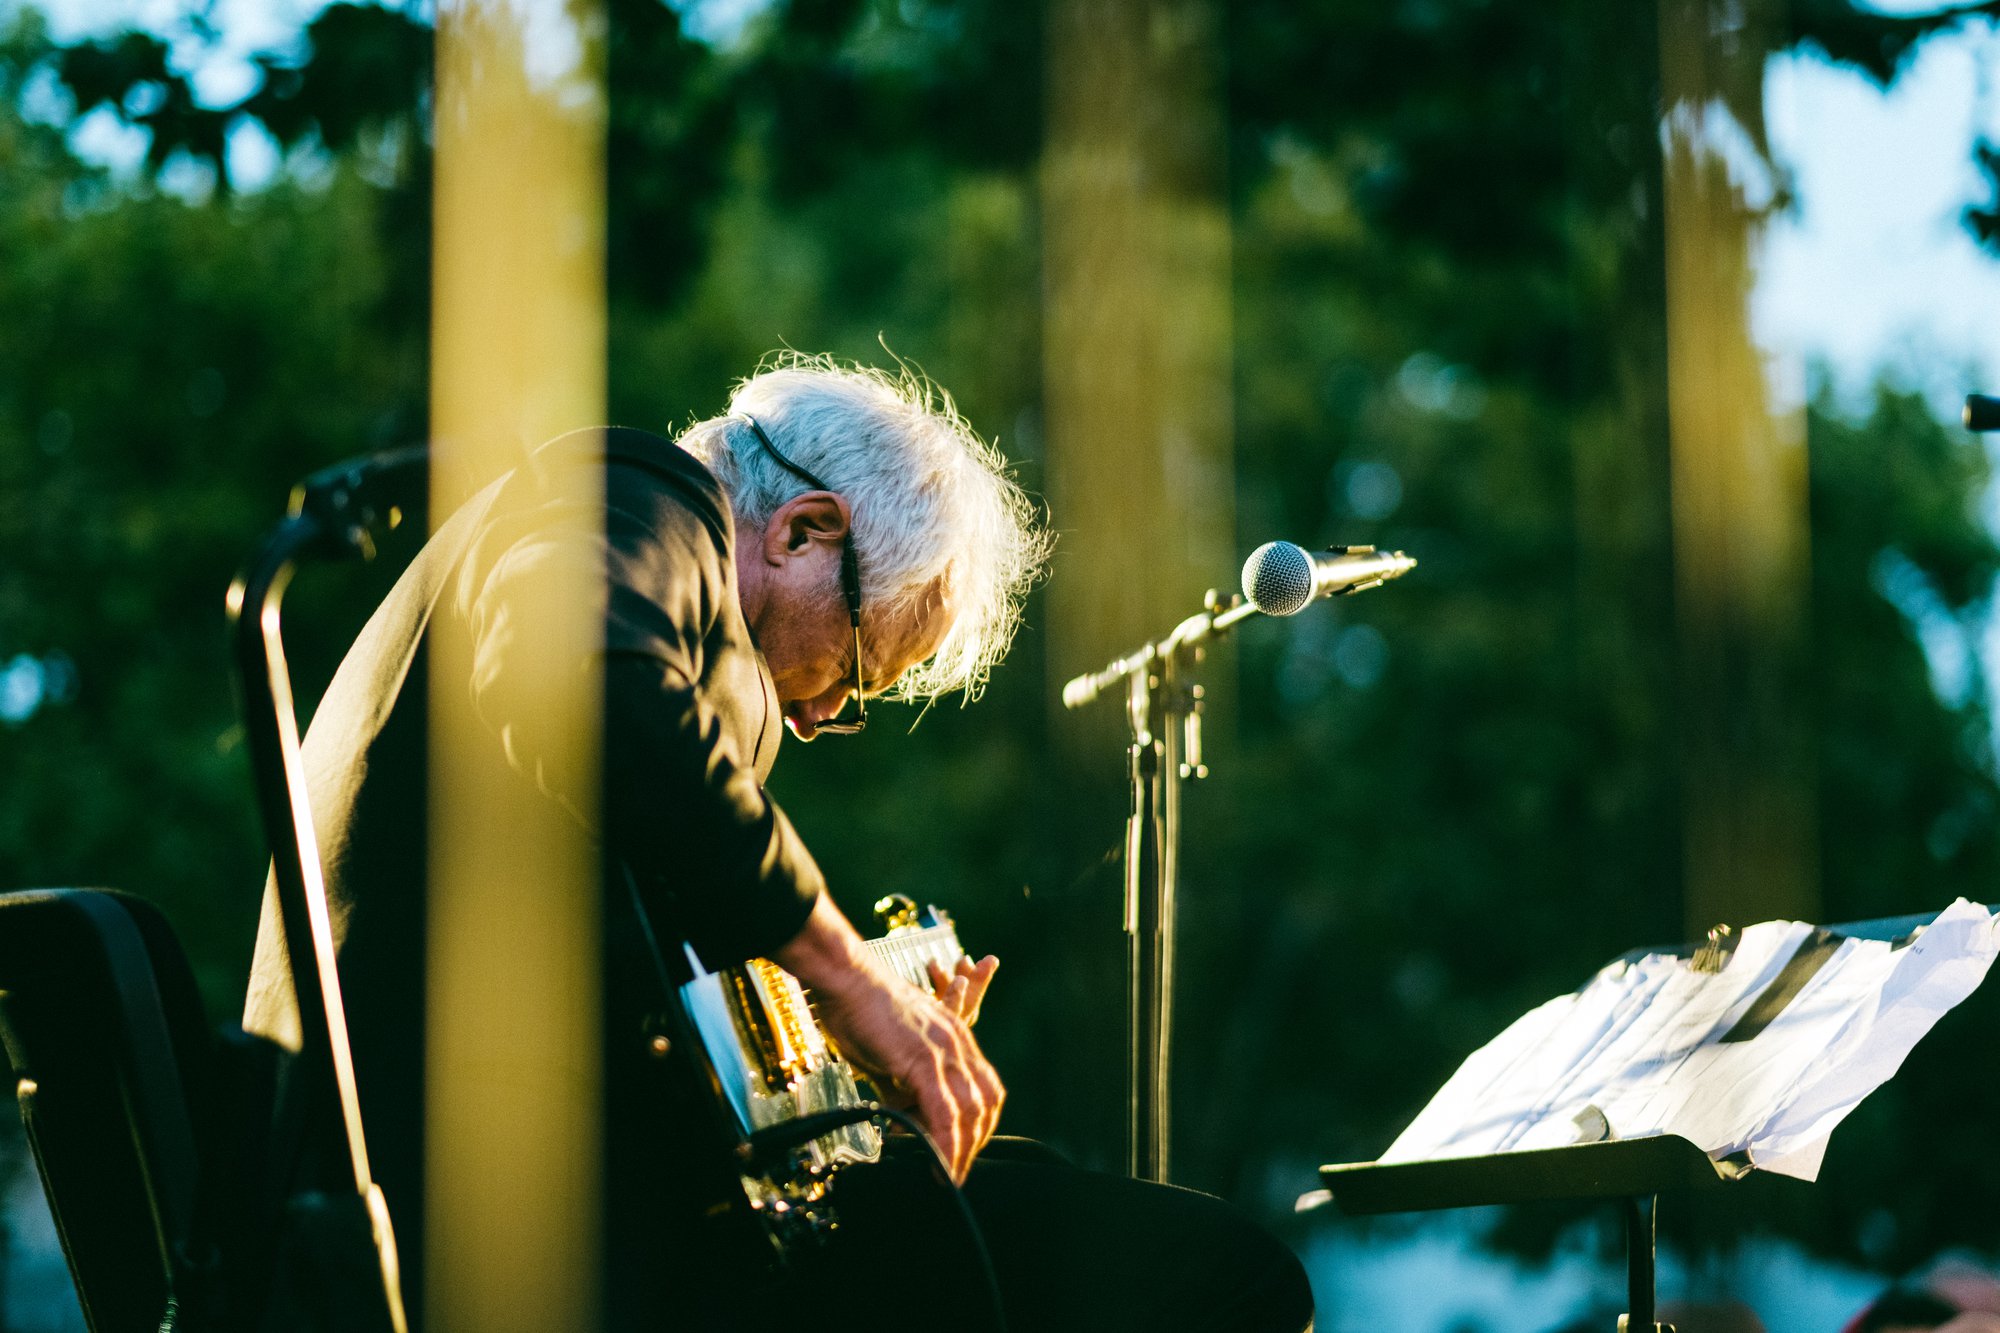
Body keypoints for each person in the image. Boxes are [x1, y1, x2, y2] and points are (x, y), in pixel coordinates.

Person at [243, 355, 1315, 1330]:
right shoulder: (632, 498)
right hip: (461, 1211)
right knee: (1207, 1279)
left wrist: (829, 1061)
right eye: (850, 670)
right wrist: (848, 978)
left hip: (496, 1185)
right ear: (802, 528)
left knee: (1021, 1201)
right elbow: (573, 680)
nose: (815, 716)